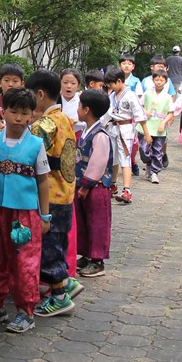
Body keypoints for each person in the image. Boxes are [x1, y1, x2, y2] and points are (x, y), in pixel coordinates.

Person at [0, 87, 51, 333]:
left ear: (32, 115)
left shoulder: (36, 144)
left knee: (24, 261)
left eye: (24, 113)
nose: (18, 118)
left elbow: (43, 181)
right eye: (13, 111)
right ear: (3, 111)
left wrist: (45, 215)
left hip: (24, 214)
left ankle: (25, 311)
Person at [25, 70, 81, 317]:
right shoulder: (64, 118)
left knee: (49, 248)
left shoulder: (44, 125)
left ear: (39, 94)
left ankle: (59, 297)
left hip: (50, 194)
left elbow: (29, 155)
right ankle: (68, 283)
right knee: (58, 243)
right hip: (65, 191)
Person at [75, 89, 113, 278]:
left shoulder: (100, 135)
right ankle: (87, 254)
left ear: (86, 110)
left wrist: (86, 185)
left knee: (97, 223)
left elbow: (98, 163)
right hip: (82, 186)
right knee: (83, 222)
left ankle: (98, 260)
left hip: (95, 188)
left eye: (79, 105)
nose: (77, 108)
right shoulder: (85, 131)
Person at [103, 66, 151, 204]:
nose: (110, 88)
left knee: (125, 158)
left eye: (111, 85)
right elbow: (108, 114)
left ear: (119, 81)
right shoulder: (112, 96)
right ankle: (113, 184)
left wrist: (146, 133)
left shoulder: (130, 95)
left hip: (125, 130)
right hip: (113, 128)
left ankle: (127, 189)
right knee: (113, 158)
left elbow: (139, 114)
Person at [139, 70, 174, 183]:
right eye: (157, 80)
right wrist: (145, 112)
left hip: (159, 126)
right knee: (144, 149)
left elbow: (171, 113)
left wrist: (164, 123)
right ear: (153, 80)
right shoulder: (147, 93)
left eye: (161, 80)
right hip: (146, 125)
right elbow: (139, 106)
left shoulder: (167, 97)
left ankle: (155, 172)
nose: (159, 82)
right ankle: (148, 163)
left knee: (158, 150)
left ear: (166, 81)